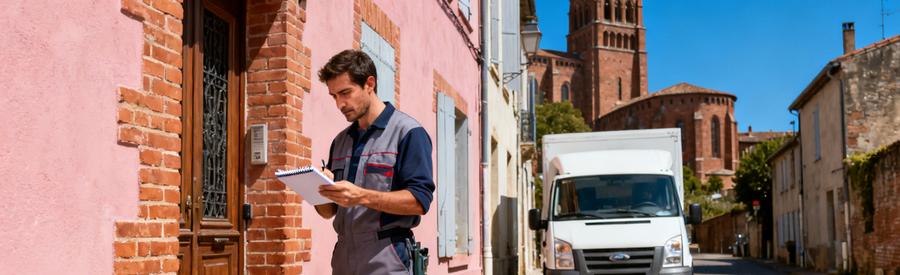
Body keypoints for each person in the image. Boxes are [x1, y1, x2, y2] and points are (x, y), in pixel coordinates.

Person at [315, 49, 435, 275]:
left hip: (387, 256)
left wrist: (361, 196)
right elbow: (327, 212)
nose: (340, 104)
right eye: (334, 96)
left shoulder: (408, 133)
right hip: (343, 257)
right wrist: (318, 189)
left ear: (369, 84)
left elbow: (420, 201)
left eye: (345, 93)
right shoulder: (340, 141)